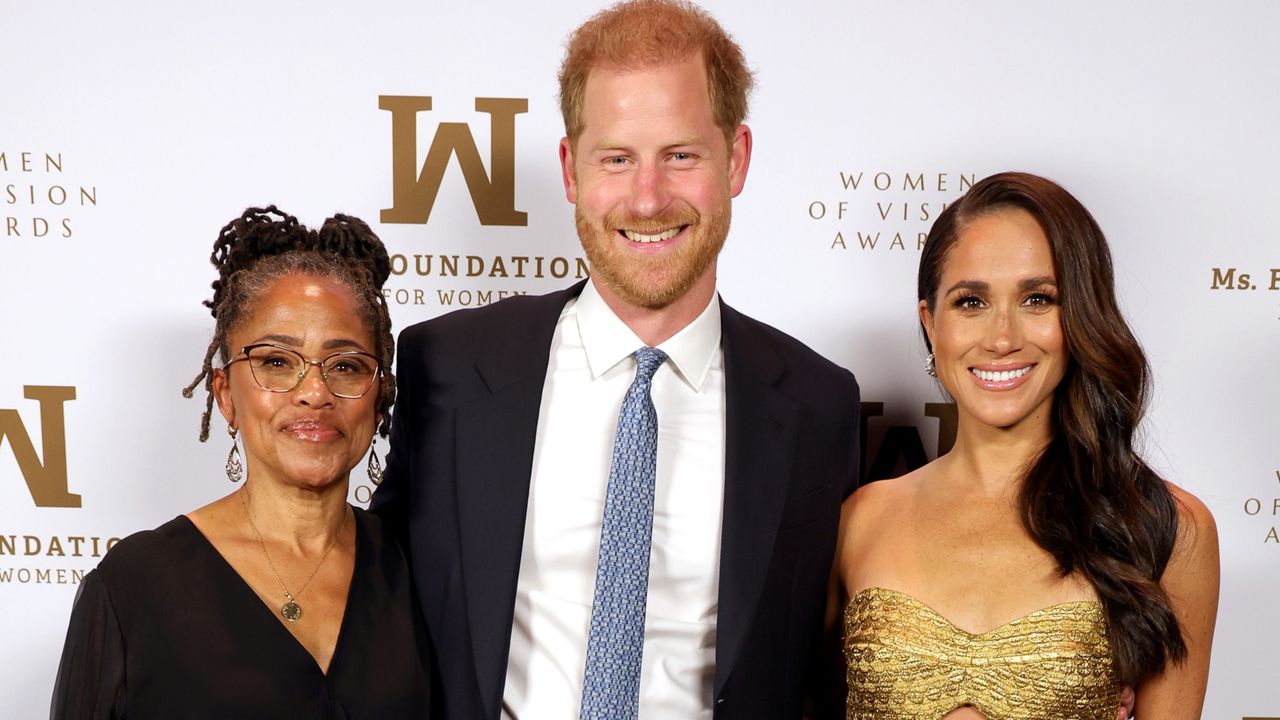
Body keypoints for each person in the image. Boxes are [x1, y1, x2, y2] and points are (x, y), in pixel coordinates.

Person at [369, 1, 860, 718]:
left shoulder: (819, 405)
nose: (649, 197)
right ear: (571, 168)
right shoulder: (447, 367)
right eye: (617, 158)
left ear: (738, 159)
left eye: (681, 155)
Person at [830, 172, 1219, 719]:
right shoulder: (860, 519)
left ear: (1080, 317)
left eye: (1037, 299)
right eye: (970, 302)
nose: (1002, 337)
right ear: (930, 323)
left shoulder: (1166, 527)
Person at [51, 207, 432, 718]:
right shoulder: (134, 588)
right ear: (226, 395)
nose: (314, 393)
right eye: (277, 362)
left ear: (380, 396)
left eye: (345, 366)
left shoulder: (422, 573)